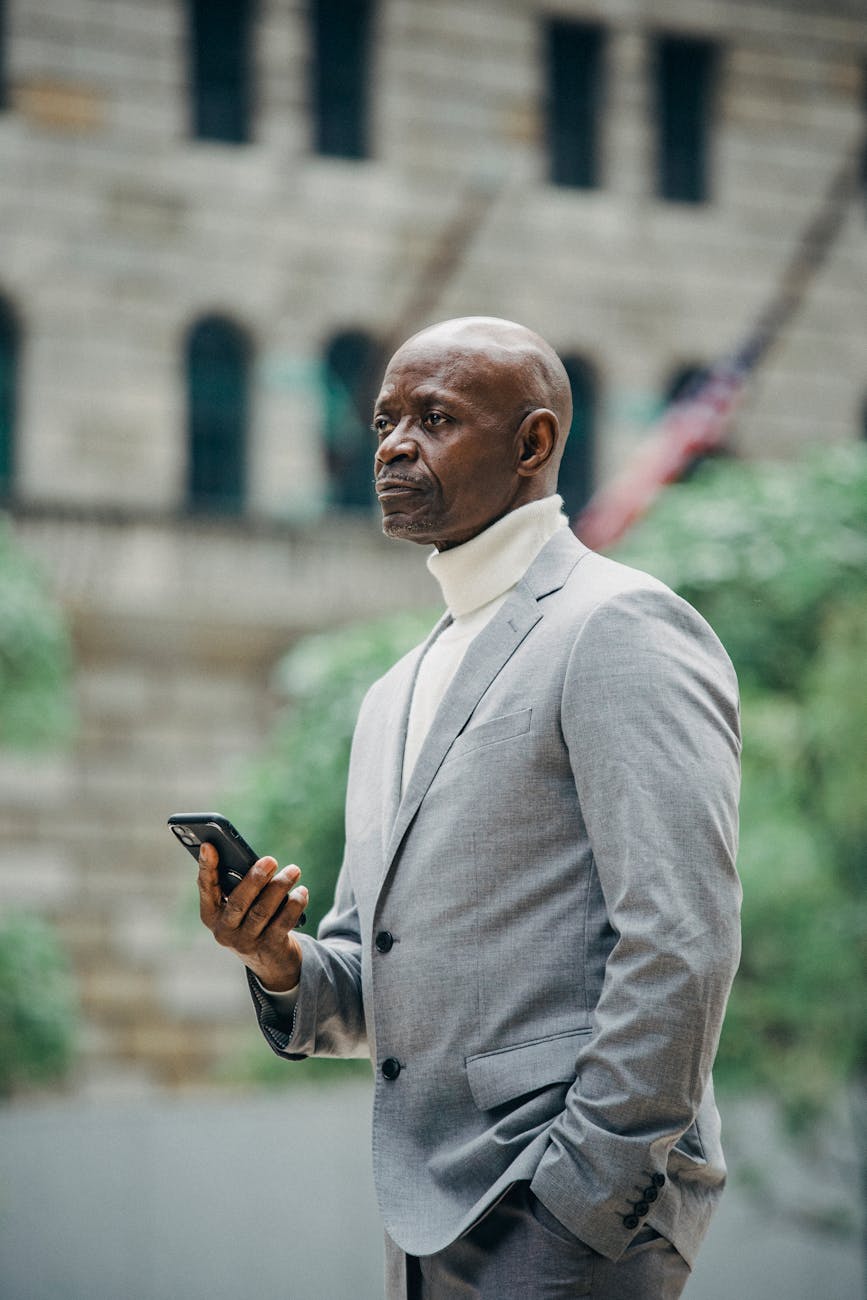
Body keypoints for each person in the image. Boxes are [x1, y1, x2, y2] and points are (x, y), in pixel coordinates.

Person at [198, 317, 742, 1299]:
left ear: (533, 444)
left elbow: (682, 939)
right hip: (424, 1212)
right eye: (384, 422)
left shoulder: (617, 625)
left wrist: (586, 1189)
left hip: (567, 1205)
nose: (395, 444)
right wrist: (277, 959)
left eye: (436, 418)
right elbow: (378, 978)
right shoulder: (390, 693)